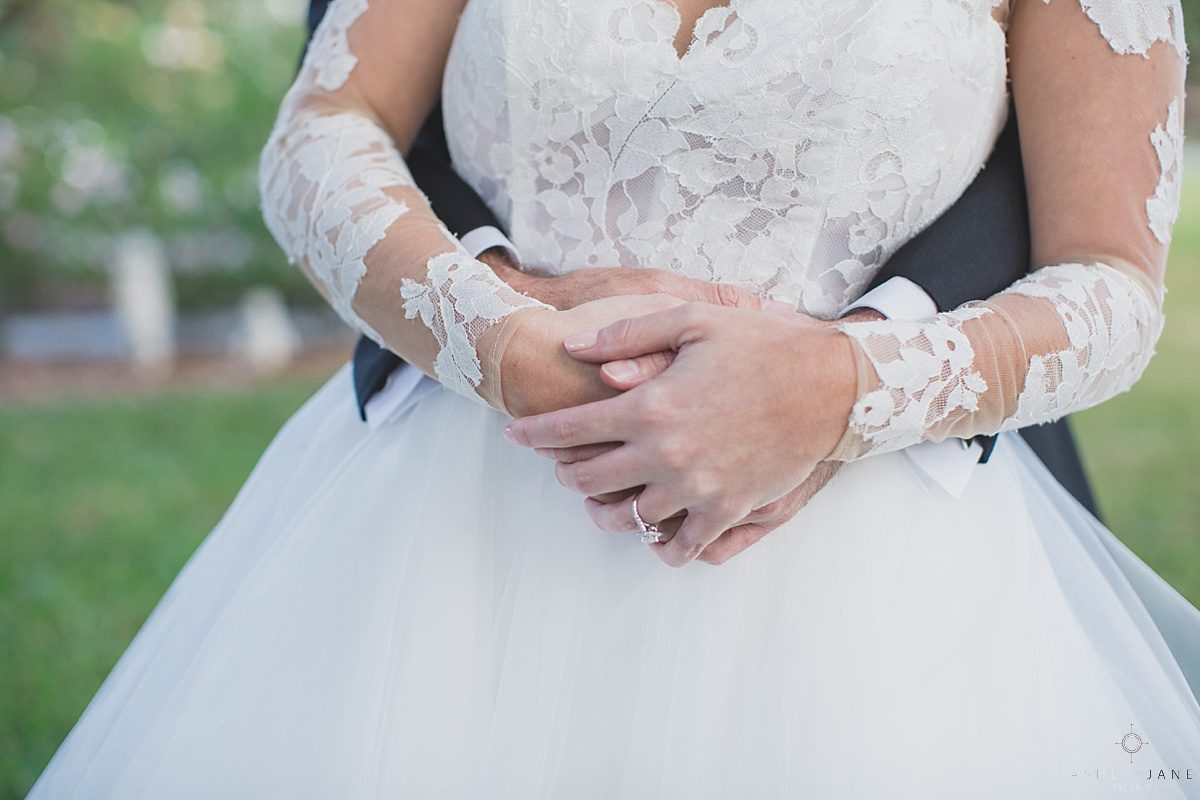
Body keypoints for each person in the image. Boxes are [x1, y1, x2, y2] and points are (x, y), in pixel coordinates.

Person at [27, 1, 1200, 797]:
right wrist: (509, 340)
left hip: (867, 567)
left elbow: (1109, 282)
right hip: (453, 520)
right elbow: (326, 126)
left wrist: (839, 386)